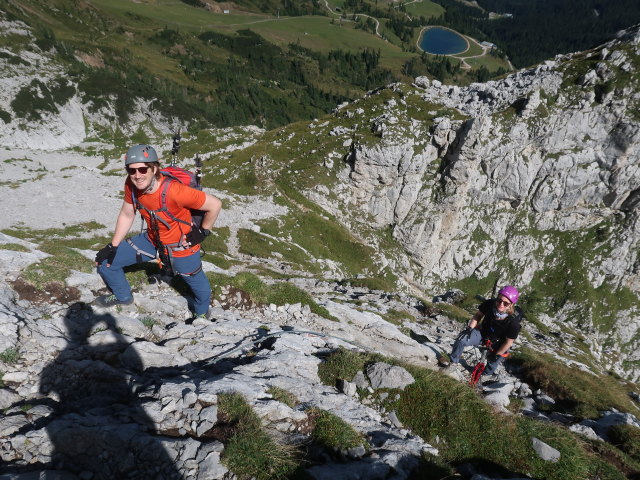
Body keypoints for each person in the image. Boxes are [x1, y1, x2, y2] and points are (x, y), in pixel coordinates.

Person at [94, 144, 222, 323]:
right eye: (132, 171)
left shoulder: (175, 191)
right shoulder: (132, 185)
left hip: (181, 245)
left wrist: (202, 232)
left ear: (154, 168)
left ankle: (201, 313)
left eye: (142, 169)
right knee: (106, 262)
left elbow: (215, 204)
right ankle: (123, 297)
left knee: (196, 282)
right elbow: (127, 213)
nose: (137, 175)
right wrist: (113, 245)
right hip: (152, 239)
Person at [440, 286, 523, 376]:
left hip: (500, 342)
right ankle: (453, 363)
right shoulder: (489, 304)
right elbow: (478, 316)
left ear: (511, 304)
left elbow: (508, 342)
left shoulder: (514, 322)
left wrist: (496, 355)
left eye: (505, 303)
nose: (501, 304)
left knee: (492, 362)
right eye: (499, 300)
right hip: (483, 332)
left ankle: (485, 375)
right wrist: (469, 329)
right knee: (462, 339)